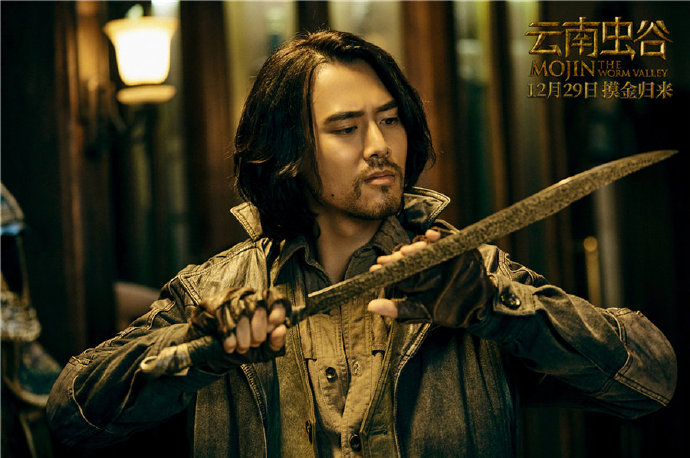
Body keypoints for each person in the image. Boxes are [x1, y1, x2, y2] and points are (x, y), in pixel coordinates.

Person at [46, 30, 676, 457]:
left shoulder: (466, 275)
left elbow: (651, 379)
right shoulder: (214, 292)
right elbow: (71, 416)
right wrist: (199, 348)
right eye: (346, 128)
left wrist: (499, 310)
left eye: (390, 119)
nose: (379, 145)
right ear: (290, 153)